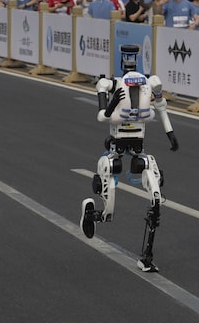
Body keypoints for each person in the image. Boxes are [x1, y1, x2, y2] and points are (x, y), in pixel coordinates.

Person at [80, 44, 179, 273]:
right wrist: (113, 103)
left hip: (138, 144)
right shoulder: (110, 84)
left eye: (132, 58)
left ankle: (146, 257)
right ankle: (96, 214)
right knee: (110, 191)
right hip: (117, 143)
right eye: (127, 58)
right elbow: (102, 117)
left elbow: (161, 106)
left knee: (155, 197)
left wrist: (170, 133)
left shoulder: (149, 83)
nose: (130, 62)